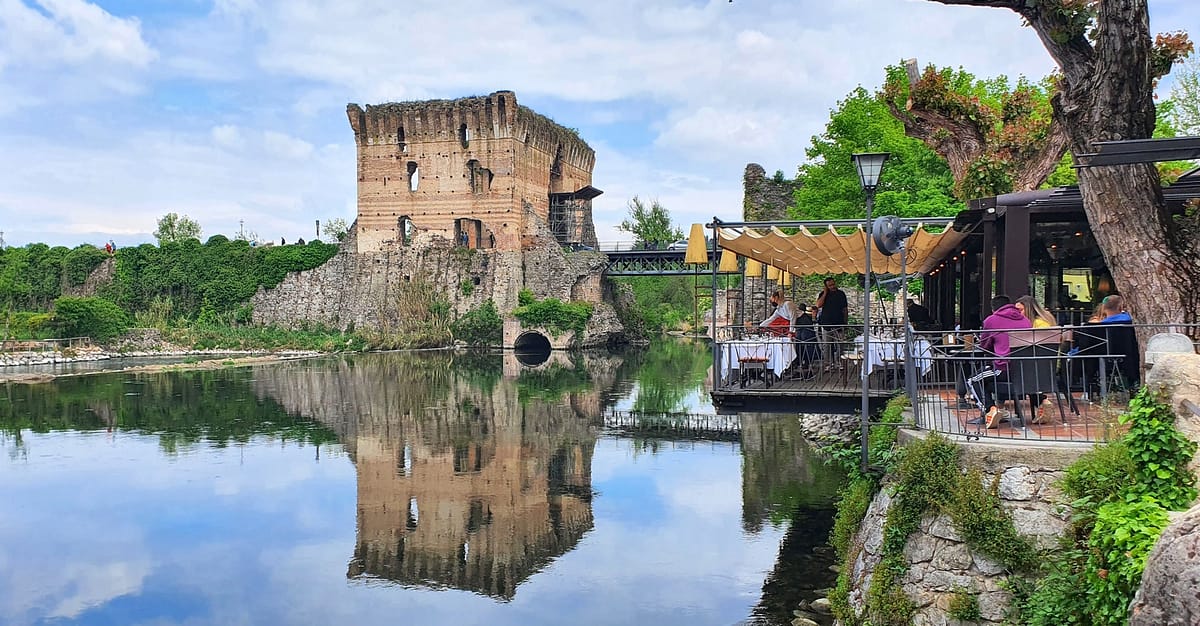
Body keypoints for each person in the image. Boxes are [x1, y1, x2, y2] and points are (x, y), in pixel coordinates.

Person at [967, 295, 1032, 428]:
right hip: (1025, 370)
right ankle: (1042, 401)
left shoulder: (992, 320)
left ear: (993, 309)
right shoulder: (1025, 320)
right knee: (985, 379)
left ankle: (990, 410)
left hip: (1003, 368)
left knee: (973, 380)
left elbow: (984, 346)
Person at [816, 277, 849, 363]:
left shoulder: (841, 294)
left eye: (833, 284)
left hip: (839, 323)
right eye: (830, 285)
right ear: (826, 286)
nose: (833, 287)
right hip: (826, 324)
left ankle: (839, 362)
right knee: (827, 345)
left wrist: (845, 323)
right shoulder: (823, 294)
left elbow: (845, 309)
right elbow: (818, 305)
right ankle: (828, 363)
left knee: (840, 345)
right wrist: (825, 293)